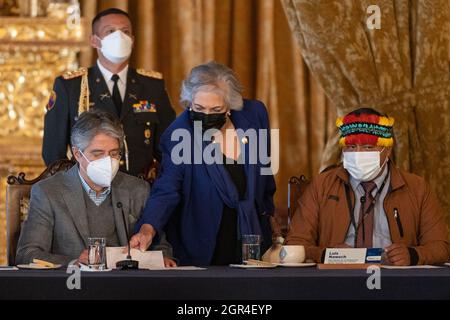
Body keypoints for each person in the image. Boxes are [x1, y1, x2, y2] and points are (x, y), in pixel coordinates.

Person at [128, 61, 276, 266]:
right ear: (189, 103)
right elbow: (166, 189)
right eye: (198, 108)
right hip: (204, 240)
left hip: (253, 235)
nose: (206, 116)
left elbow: (265, 174)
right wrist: (148, 228)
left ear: (230, 106)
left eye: (216, 109)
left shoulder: (255, 114)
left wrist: (270, 218)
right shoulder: (178, 135)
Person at [286, 108, 449, 265]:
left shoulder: (417, 188)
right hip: (338, 280)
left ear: (388, 150)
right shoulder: (322, 185)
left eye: (368, 147)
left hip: (396, 281)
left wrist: (413, 255)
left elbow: (440, 247)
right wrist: (326, 254)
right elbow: (295, 244)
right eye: (351, 147)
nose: (358, 154)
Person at [17, 109, 176, 267]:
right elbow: (28, 254)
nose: (108, 161)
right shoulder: (48, 192)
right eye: (98, 154)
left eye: (114, 154)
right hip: (72, 285)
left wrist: (164, 260)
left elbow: (161, 247)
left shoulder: (138, 189)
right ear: (78, 154)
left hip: (127, 286)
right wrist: (74, 263)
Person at [42, 7, 176, 177]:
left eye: (125, 31)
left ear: (133, 40)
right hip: (87, 193)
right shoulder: (70, 86)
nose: (119, 37)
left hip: (141, 191)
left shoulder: (152, 86)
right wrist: (74, 192)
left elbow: (168, 149)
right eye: (110, 31)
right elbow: (53, 153)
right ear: (94, 41)